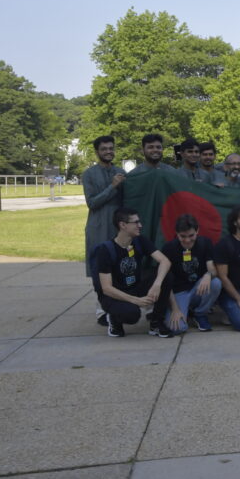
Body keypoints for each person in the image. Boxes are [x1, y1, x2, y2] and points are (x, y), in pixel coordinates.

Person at [94, 207, 174, 338]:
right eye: (135, 222)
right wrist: (136, 300)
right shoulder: (105, 250)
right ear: (123, 225)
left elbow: (165, 261)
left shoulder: (140, 241)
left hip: (134, 287)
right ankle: (114, 320)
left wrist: (156, 285)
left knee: (166, 277)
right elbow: (107, 289)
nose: (140, 225)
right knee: (132, 315)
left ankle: (156, 323)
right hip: (114, 295)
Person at [160, 214, 221, 333]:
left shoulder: (205, 243)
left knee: (216, 283)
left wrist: (208, 275)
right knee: (177, 329)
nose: (187, 240)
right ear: (177, 233)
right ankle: (185, 311)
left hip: (198, 288)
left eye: (191, 235)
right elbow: (165, 281)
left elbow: (212, 269)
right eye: (183, 236)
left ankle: (200, 313)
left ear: (197, 231)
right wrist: (175, 309)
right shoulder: (169, 248)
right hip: (178, 293)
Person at [83, 136, 125, 289]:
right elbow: (92, 203)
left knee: (120, 264)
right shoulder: (89, 174)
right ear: (97, 152)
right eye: (104, 149)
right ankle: (100, 307)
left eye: (111, 148)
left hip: (119, 227)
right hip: (98, 226)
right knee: (99, 264)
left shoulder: (121, 172)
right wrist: (112, 186)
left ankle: (120, 302)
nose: (108, 152)